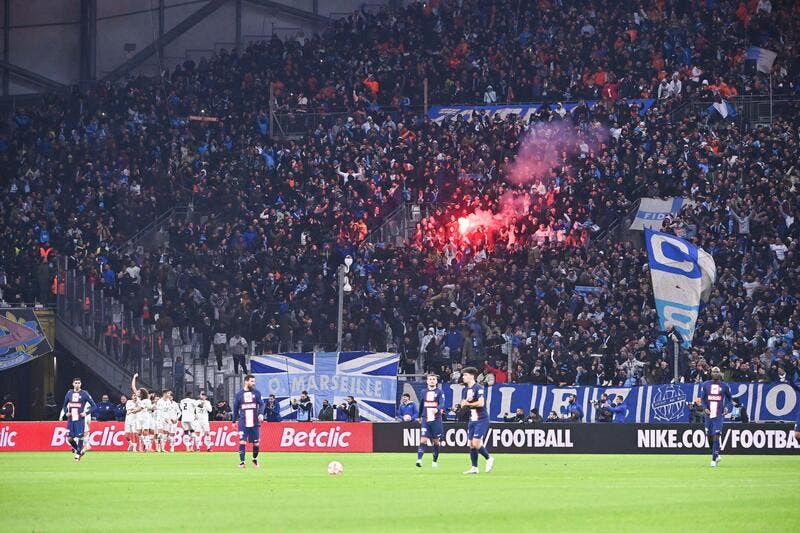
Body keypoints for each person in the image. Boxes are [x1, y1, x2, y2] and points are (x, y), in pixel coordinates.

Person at [459, 367, 494, 474]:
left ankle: (489, 458)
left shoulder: (478, 387)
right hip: (472, 419)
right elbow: (463, 403)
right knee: (471, 444)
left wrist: (468, 404)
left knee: (476, 443)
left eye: (465, 375)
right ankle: (474, 468)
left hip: (481, 419)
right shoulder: (465, 390)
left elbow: (481, 403)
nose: (463, 377)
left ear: (471, 376)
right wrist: (461, 405)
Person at [700, 366, 732, 467]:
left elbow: (729, 399)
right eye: (714, 371)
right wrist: (705, 408)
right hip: (709, 415)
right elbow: (703, 399)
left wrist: (727, 407)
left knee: (716, 435)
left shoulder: (725, 386)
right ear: (711, 373)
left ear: (720, 373)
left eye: (717, 372)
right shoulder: (705, 385)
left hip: (718, 415)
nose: (715, 373)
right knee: (709, 436)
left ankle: (714, 459)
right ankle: (716, 453)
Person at [58, 377, 97, 461]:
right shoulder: (69, 393)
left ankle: (77, 456)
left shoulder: (84, 393)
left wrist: (85, 413)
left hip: (80, 419)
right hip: (71, 419)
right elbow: (64, 406)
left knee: (80, 437)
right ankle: (78, 451)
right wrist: (66, 412)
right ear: (73, 384)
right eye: (75, 383)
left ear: (80, 384)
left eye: (78, 383)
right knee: (69, 439)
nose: (77, 384)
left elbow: (94, 406)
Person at [231, 374, 264, 468]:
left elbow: (262, 404)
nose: (254, 383)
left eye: (254, 381)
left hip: (254, 422)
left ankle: (254, 459)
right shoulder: (239, 394)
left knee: (256, 443)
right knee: (242, 442)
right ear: (246, 381)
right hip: (243, 422)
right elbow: (235, 408)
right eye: (252, 381)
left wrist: (261, 413)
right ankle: (242, 462)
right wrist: (233, 421)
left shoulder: (257, 393)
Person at [416, 374, 445, 468]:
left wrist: (437, 408)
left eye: (434, 379)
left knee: (436, 441)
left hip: (436, 419)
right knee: (423, 439)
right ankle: (419, 460)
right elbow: (421, 405)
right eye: (430, 379)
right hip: (425, 418)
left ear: (436, 381)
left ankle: (434, 461)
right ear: (427, 381)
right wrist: (419, 416)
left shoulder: (439, 392)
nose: (432, 381)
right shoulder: (423, 392)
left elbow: (442, 403)